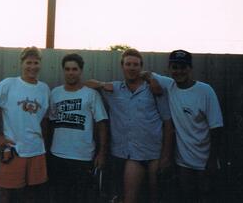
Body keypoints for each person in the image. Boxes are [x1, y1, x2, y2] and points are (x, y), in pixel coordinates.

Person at [86, 48, 174, 203]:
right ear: (122, 66)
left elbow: (167, 122)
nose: (132, 68)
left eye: (135, 64)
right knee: (129, 198)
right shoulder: (114, 88)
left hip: (154, 153)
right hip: (132, 156)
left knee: (156, 197)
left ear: (141, 67)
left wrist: (166, 156)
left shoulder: (153, 89)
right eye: (128, 64)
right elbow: (87, 83)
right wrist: (101, 84)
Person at [147, 49, 224, 202]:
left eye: (183, 67)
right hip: (183, 163)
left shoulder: (205, 91)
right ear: (169, 68)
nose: (179, 71)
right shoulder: (169, 86)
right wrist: (152, 82)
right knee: (186, 197)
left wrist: (212, 160)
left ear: (190, 69)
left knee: (206, 197)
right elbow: (146, 73)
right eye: (175, 67)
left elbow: (216, 128)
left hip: (204, 162)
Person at [0, 47, 50, 203]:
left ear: (40, 64)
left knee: (32, 193)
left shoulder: (44, 88)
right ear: (21, 64)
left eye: (36, 62)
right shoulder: (9, 84)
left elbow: (44, 117)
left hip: (36, 149)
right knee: (6, 193)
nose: (32, 66)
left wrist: (43, 139)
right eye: (28, 62)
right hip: (14, 149)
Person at [49, 53, 108, 203]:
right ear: (63, 70)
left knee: (80, 198)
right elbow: (51, 123)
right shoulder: (55, 93)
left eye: (74, 69)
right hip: (58, 155)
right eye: (67, 69)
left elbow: (102, 124)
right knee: (60, 197)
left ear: (80, 71)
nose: (70, 72)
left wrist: (101, 153)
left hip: (83, 157)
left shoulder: (91, 94)